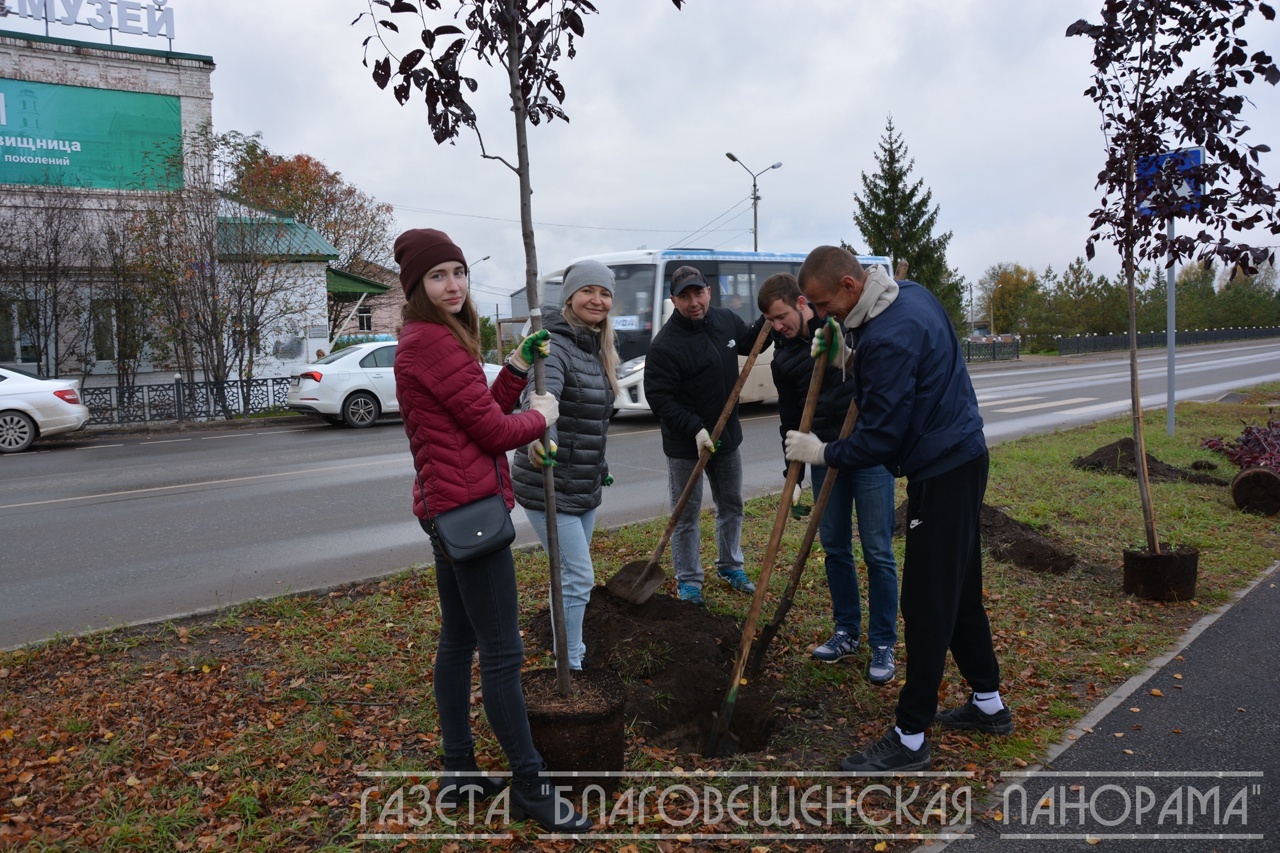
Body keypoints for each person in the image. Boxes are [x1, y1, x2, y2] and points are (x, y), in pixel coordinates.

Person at [392, 228, 591, 831]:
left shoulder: (430, 338)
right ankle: (530, 785)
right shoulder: (434, 343)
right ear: (417, 287)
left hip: (447, 509)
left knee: (459, 640)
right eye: (438, 276)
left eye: (458, 272)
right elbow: (493, 432)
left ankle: (459, 770)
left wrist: (516, 367)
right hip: (470, 513)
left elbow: (476, 410)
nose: (453, 285)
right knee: (503, 652)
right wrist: (541, 417)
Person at [785, 246, 1010, 773]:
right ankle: (988, 703)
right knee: (959, 589)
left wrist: (822, 452)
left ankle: (910, 736)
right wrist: (846, 357)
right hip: (964, 454)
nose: (820, 315)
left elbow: (880, 437)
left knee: (927, 603)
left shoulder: (887, 336)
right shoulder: (908, 294)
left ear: (848, 285)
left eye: (823, 304)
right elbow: (902, 376)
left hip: (941, 471)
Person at [757, 273, 899, 683]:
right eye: (771, 321)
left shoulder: (840, 326)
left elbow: (877, 374)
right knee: (835, 547)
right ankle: (846, 631)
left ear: (802, 303)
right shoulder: (782, 358)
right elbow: (789, 419)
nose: (778, 326)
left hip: (867, 451)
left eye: (781, 317)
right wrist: (794, 471)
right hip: (821, 456)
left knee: (877, 550)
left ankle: (883, 642)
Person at [512, 259, 618, 671]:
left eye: (604, 293)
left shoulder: (593, 347)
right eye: (588, 290)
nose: (597, 300)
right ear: (570, 297)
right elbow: (542, 396)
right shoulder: (555, 343)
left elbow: (590, 420)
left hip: (583, 483)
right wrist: (543, 438)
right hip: (549, 481)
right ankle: (571, 663)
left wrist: (599, 464)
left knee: (569, 576)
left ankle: (567, 651)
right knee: (579, 576)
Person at [643, 265, 767, 605]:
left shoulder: (725, 320)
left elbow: (751, 341)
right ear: (673, 301)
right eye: (684, 296)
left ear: (708, 292)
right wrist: (695, 429)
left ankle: (730, 566)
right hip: (686, 445)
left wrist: (770, 315)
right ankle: (689, 580)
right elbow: (660, 398)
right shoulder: (665, 345)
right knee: (686, 514)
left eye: (698, 293)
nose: (694, 302)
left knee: (732, 504)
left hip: (727, 438)